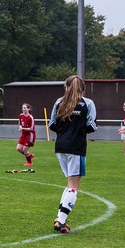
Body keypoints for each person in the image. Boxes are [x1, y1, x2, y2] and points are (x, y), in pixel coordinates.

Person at [48, 75, 97, 234]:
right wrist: (78, 131)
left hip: (60, 146)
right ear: (82, 88)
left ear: (66, 87)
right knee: (74, 187)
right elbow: (92, 126)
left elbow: (53, 125)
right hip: (76, 147)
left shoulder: (58, 102)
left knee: (69, 184)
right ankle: (60, 222)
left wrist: (65, 132)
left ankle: (59, 218)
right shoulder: (87, 103)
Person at [16, 102, 36, 167]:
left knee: (24, 149)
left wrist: (22, 128)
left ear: (28, 109)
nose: (23, 109)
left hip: (30, 135)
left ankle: (29, 162)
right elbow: (19, 123)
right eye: (22, 108)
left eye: (24, 108)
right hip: (23, 134)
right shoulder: (20, 115)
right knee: (18, 148)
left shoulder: (30, 117)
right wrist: (20, 127)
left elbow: (31, 128)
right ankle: (29, 155)